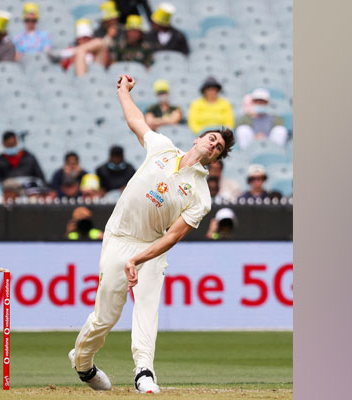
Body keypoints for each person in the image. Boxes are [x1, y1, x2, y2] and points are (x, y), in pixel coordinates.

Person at [69, 74, 235, 393]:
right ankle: (83, 363)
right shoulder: (162, 148)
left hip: (151, 248)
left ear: (215, 159)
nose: (213, 144)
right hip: (119, 238)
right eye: (212, 138)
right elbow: (136, 120)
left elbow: (172, 236)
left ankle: (144, 370)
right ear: (198, 139)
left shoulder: (200, 195)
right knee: (106, 316)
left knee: (147, 305)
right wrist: (123, 92)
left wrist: (139, 258)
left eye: (219, 146)